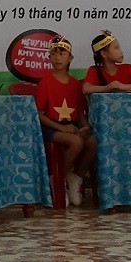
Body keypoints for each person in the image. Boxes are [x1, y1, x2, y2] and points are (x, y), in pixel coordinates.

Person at [35, 35, 96, 207]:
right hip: (51, 127)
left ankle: (77, 177)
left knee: (93, 142)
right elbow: (39, 115)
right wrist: (62, 128)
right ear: (49, 57)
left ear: (70, 58)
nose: (57, 58)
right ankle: (57, 179)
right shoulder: (45, 83)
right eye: (53, 54)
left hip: (72, 126)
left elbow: (81, 113)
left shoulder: (76, 84)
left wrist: (85, 126)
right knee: (76, 142)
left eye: (62, 54)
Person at [82, 30, 131, 95]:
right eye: (116, 48)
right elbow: (86, 89)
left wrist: (122, 86)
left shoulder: (127, 68)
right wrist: (106, 88)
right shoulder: (93, 70)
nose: (121, 52)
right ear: (104, 54)